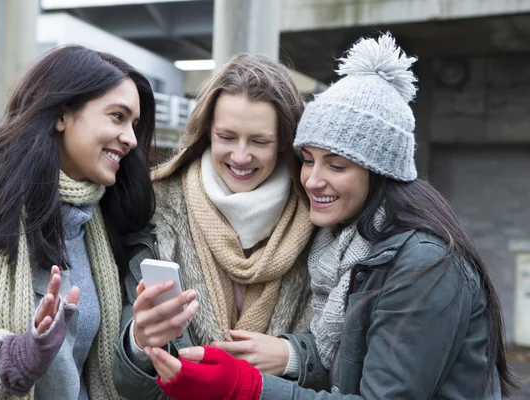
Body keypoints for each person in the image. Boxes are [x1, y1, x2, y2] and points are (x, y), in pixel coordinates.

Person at [144, 33, 517, 399]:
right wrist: (294, 356)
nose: (313, 180)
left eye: (336, 165)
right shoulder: (343, 244)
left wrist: (246, 386)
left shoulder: (424, 264)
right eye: (307, 160)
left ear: (379, 172)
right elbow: (354, 361)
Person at [0, 45, 156, 399]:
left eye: (134, 124)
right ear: (62, 115)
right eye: (117, 116)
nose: (130, 138)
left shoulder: (104, 223)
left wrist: (140, 343)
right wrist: (7, 361)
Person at [113, 53, 324, 399]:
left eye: (259, 142)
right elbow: (127, 384)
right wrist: (139, 343)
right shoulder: (155, 211)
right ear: (206, 133)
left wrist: (293, 357)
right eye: (226, 137)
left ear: (285, 142)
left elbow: (348, 360)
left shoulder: (321, 221)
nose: (241, 157)